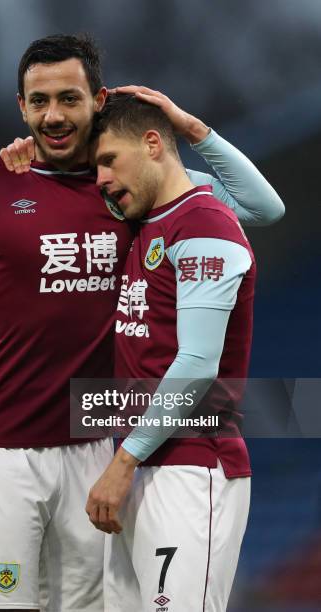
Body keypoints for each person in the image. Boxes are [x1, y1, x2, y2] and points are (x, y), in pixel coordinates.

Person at [0, 35, 284, 612]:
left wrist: (187, 127)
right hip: (0, 450)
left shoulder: (129, 194)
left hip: (99, 450)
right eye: (38, 102)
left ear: (96, 100)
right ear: (21, 108)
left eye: (68, 99)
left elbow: (262, 208)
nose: (53, 116)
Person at [84, 91, 259, 611]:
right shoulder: (150, 222)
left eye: (109, 160)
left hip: (189, 467)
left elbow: (198, 365)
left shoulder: (205, 222)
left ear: (154, 143)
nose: (101, 180)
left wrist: (193, 126)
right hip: (143, 466)